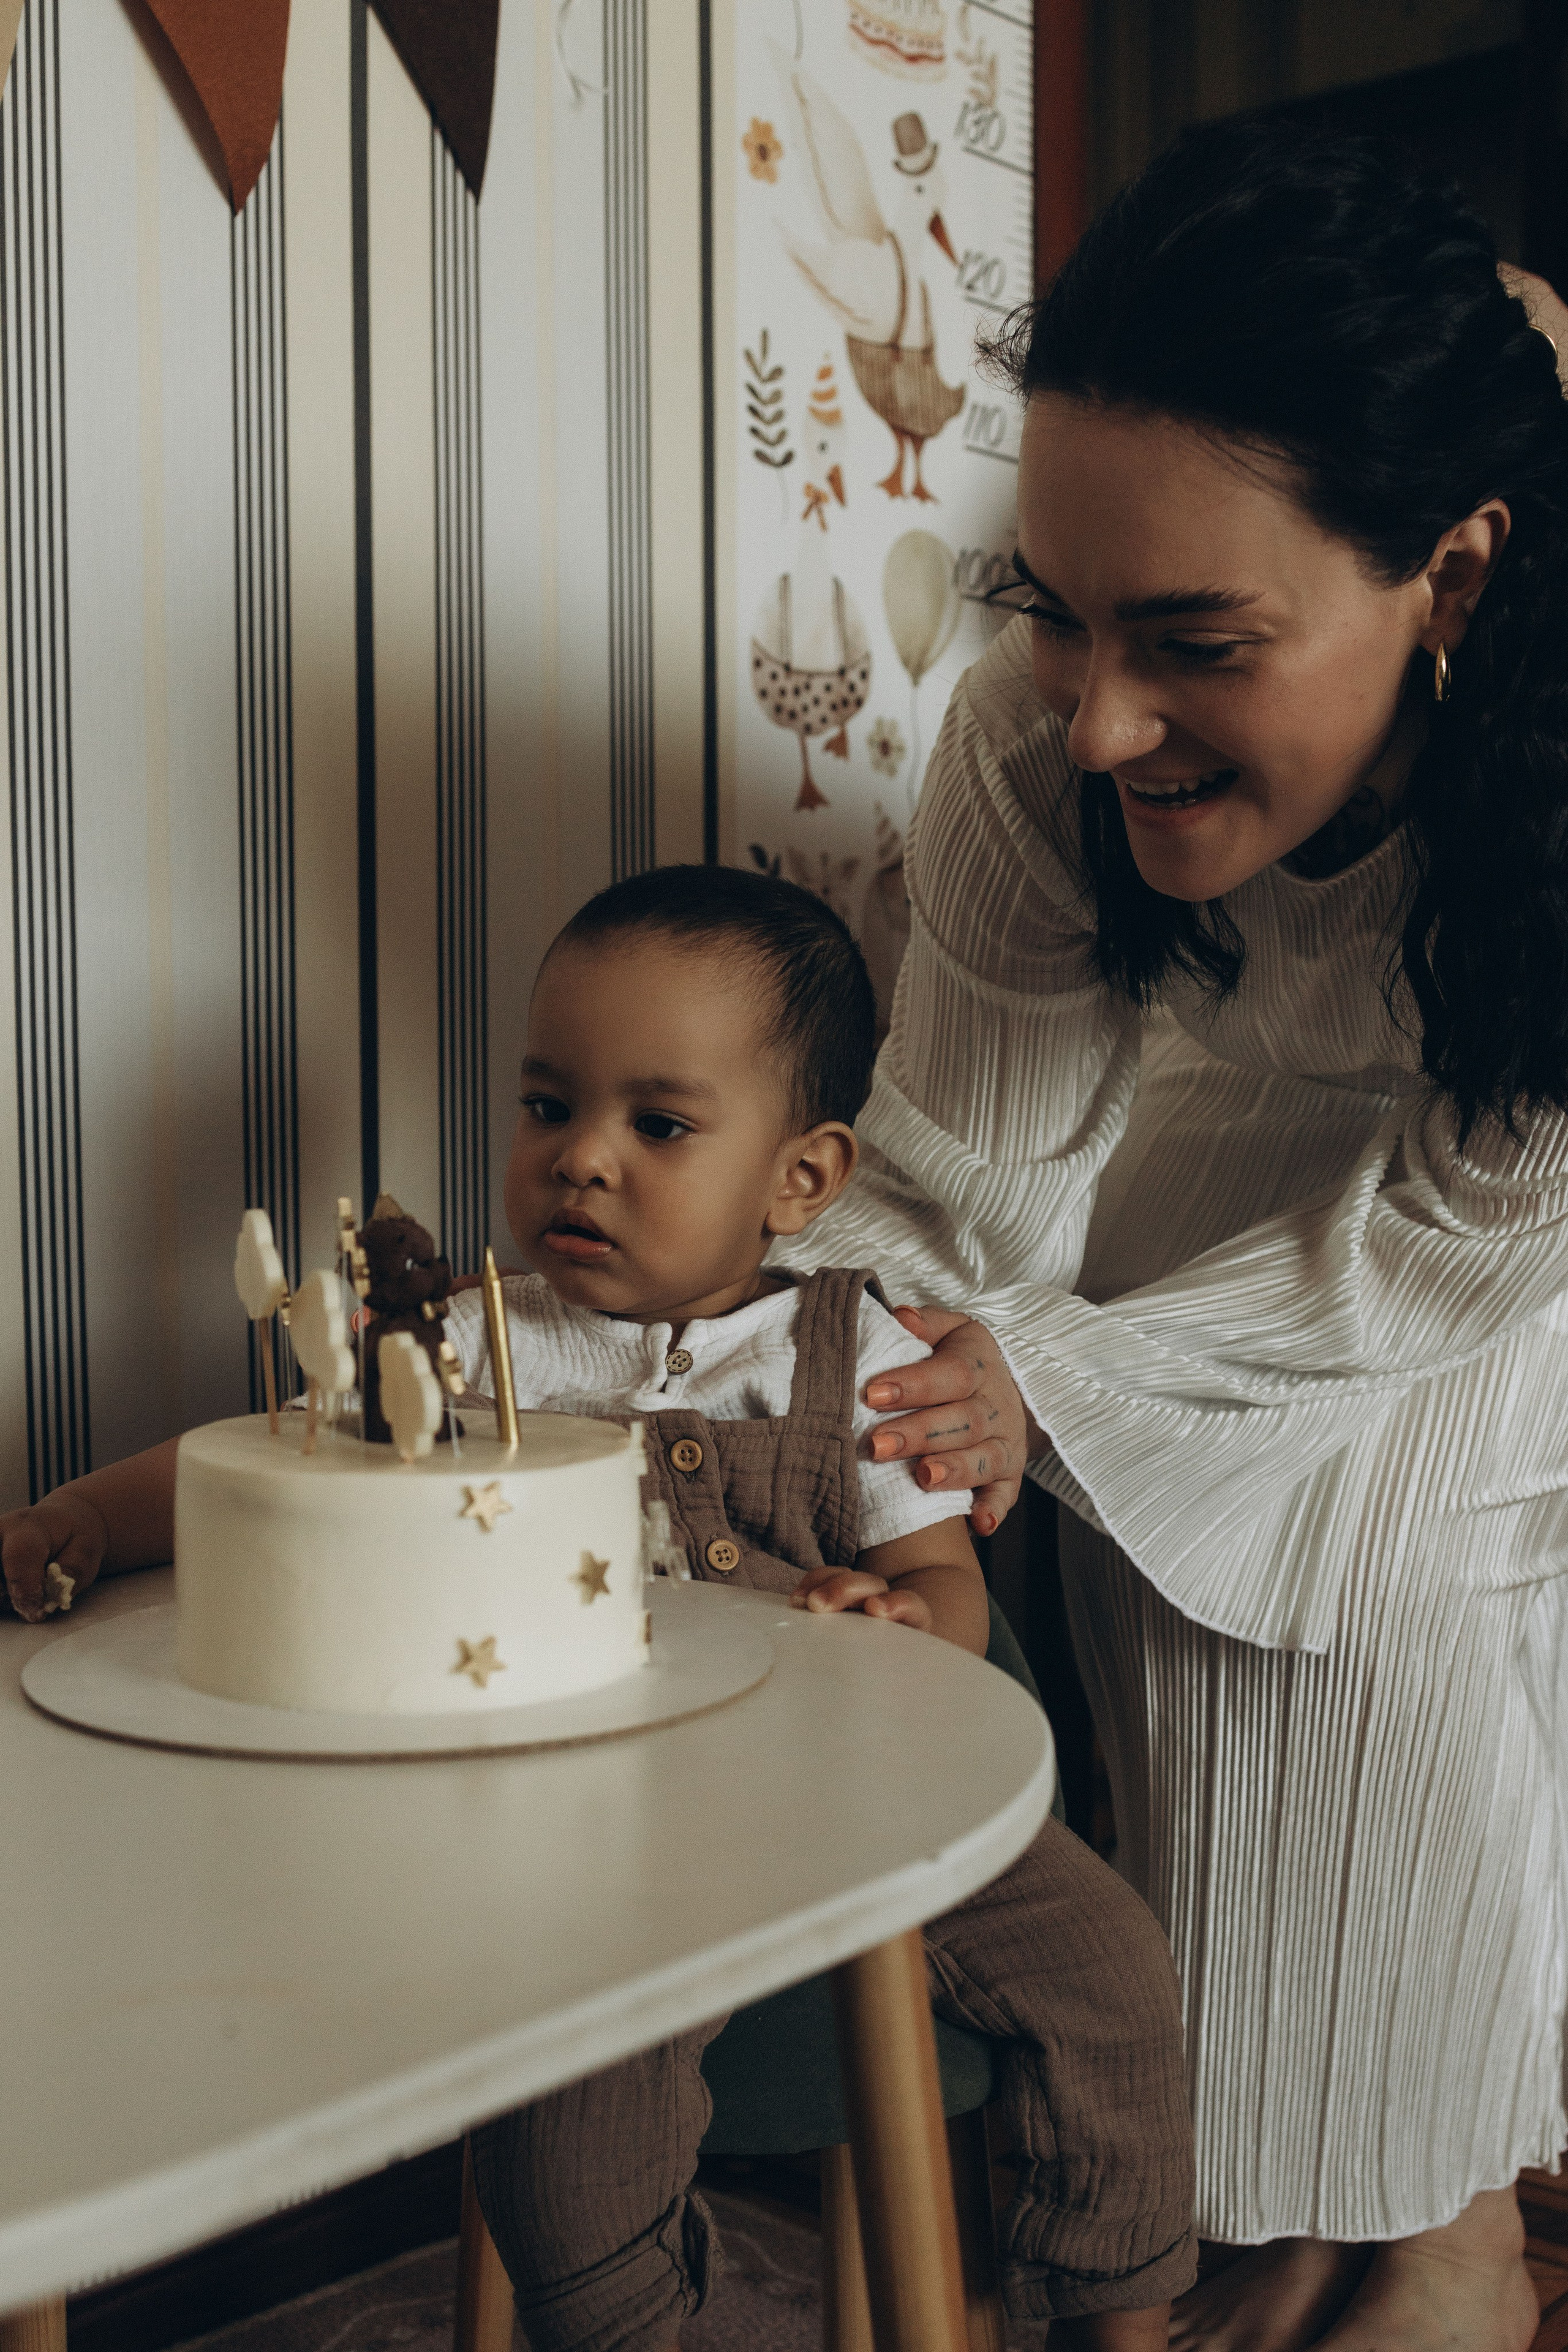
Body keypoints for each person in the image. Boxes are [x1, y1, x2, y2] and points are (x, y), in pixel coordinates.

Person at [769, 118, 1568, 2352]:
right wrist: (829, 1362)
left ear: (1461, 579)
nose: (1102, 715)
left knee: (1390, 1570)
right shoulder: (1038, 757)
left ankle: (1430, 2224)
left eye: (1197, 642)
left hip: (1497, 1241)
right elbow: (977, 1176)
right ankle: (1234, 2209)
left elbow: (1452, 1250)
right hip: (1185, 1193)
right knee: (1131, 1565)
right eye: (1061, 609)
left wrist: (1080, 1380)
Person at [0, 865, 1197, 2352]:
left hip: (866, 1800)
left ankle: (1117, 2329)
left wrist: (899, 1622)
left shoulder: (861, 1351)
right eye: (546, 1106)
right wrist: (77, 1521)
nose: (582, 1161)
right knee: (569, 2144)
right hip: (617, 1859)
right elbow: (259, 1456)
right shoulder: (466, 1353)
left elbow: (945, 1590)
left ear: (800, 1178)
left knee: (1114, 1975)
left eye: (659, 1125)